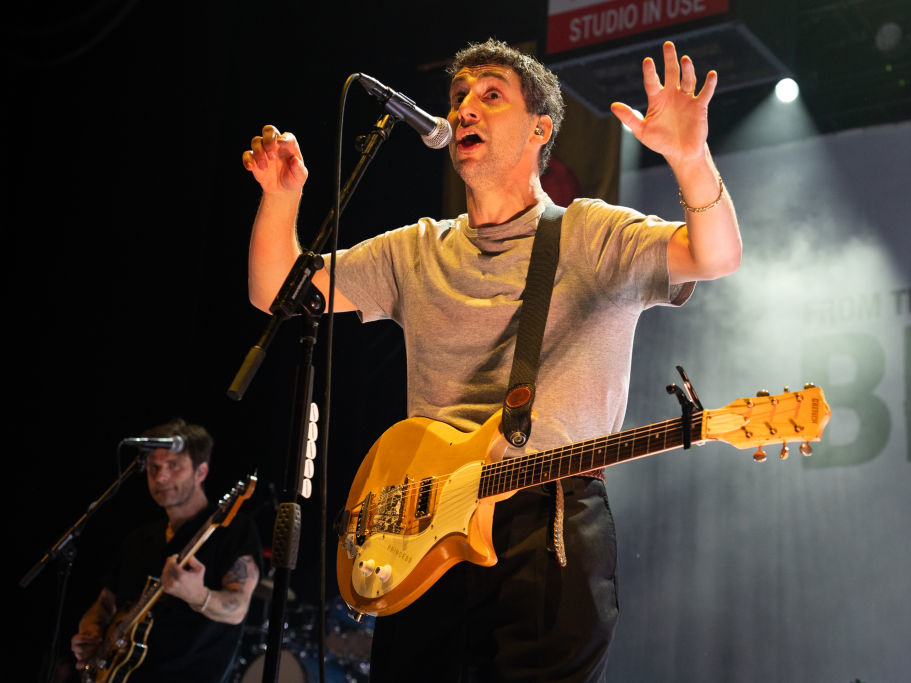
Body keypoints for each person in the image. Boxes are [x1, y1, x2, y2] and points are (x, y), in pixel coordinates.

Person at [243, 38, 740, 682]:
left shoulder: (592, 235)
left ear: (541, 130)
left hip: (549, 515)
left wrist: (690, 158)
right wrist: (281, 196)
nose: (464, 109)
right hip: (421, 530)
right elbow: (276, 292)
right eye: (457, 98)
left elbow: (717, 256)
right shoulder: (418, 250)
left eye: (490, 95)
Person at [70, 418, 263, 683]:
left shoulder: (232, 529)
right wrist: (92, 634)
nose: (161, 477)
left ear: (201, 472)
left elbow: (238, 606)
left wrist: (199, 595)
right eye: (153, 467)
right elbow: (105, 602)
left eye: (174, 466)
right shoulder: (138, 539)